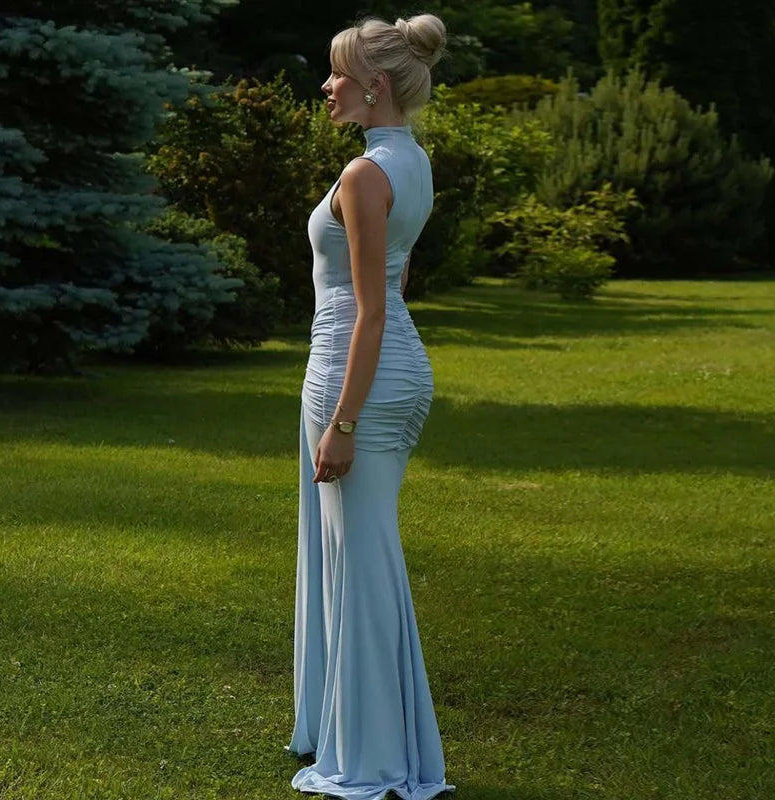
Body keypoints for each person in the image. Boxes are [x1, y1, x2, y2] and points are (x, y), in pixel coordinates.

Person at [283, 13, 456, 800]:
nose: (327, 86)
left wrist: (346, 421)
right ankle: (342, 727)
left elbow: (373, 308)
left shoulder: (363, 174)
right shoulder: (411, 161)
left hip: (356, 377)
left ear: (375, 85)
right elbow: (397, 284)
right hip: (390, 373)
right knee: (353, 554)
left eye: (337, 75)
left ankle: (377, 758)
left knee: (362, 561)